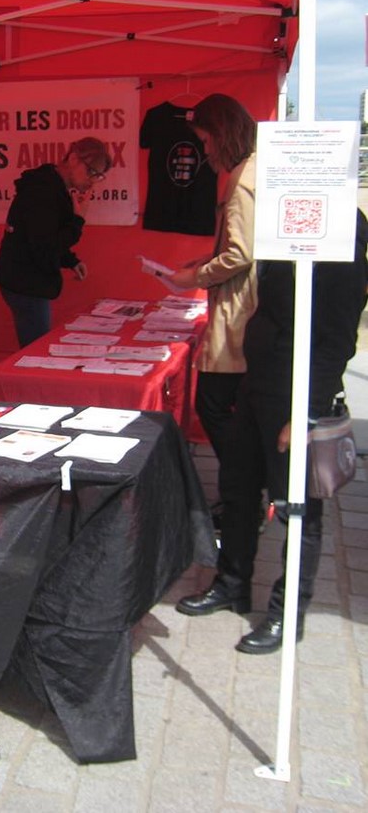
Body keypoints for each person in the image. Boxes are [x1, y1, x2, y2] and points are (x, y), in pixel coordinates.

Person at [176, 208, 368, 654]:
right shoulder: (289, 216)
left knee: (297, 507)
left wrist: (305, 413)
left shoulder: (341, 225)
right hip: (258, 379)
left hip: (296, 389)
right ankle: (232, 583)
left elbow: (340, 336)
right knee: (238, 486)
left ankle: (287, 613)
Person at [170, 94, 258, 469]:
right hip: (246, 306)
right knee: (224, 403)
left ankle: (243, 484)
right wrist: (207, 260)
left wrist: (198, 275)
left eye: (206, 141)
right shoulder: (252, 171)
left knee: (212, 402)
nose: (205, 151)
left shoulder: (242, 181)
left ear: (222, 134)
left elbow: (241, 254)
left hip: (239, 309)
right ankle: (244, 486)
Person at [0, 137, 112, 347]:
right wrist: (78, 221)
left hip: (26, 278)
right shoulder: (43, 190)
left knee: (36, 348)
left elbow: (47, 235)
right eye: (91, 171)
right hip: (26, 282)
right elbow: (44, 246)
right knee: (36, 353)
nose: (92, 180)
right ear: (74, 158)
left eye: (98, 176)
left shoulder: (53, 186)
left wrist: (70, 260)